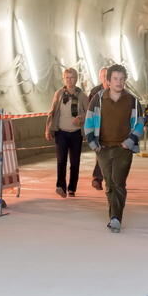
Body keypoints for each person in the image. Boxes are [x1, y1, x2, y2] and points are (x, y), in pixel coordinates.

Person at [84, 64, 144, 233]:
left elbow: (140, 123)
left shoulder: (132, 101)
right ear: (108, 81)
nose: (119, 82)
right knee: (109, 184)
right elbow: (88, 121)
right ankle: (114, 214)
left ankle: (115, 217)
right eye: (115, 79)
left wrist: (130, 141)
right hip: (102, 148)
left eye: (122, 79)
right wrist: (93, 143)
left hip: (123, 148)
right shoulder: (98, 99)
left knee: (118, 182)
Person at [45, 68, 89, 198]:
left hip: (76, 133)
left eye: (72, 77)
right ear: (63, 79)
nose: (69, 80)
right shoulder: (58, 94)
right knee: (61, 161)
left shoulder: (82, 96)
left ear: (76, 79)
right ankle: (61, 186)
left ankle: (72, 188)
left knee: (75, 162)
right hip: (61, 132)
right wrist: (48, 129)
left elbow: (89, 113)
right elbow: (52, 112)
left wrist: (81, 117)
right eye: (67, 78)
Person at [88, 66, 109, 190]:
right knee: (101, 153)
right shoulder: (94, 92)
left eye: (108, 76)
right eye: (103, 76)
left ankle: (111, 179)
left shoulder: (119, 90)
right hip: (98, 128)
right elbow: (89, 111)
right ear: (100, 78)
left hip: (114, 129)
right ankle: (97, 178)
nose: (106, 79)